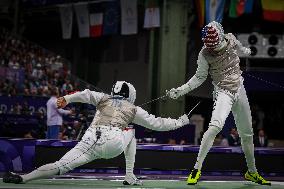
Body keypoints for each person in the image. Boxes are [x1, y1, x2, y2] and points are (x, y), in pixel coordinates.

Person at [3, 81, 190, 185]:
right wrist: (181, 121)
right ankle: (129, 176)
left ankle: (24, 177)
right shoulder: (133, 109)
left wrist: (66, 99)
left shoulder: (103, 97)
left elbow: (85, 94)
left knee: (61, 166)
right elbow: (158, 124)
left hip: (90, 140)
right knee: (131, 133)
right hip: (113, 143)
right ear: (130, 94)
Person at [167, 21, 270, 185]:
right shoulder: (204, 54)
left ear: (221, 37)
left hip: (240, 89)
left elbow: (241, 48)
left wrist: (246, 51)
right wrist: (181, 90)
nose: (213, 49)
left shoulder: (230, 39)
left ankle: (252, 172)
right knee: (215, 126)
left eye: (215, 46)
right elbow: (199, 78)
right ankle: (196, 169)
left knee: (247, 134)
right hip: (223, 92)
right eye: (210, 47)